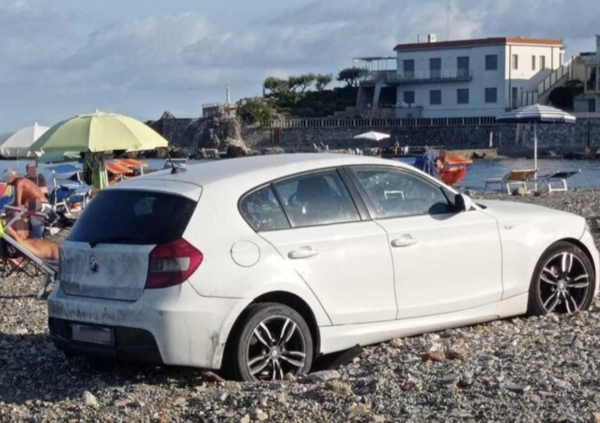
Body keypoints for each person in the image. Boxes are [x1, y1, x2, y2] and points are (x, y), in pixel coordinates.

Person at [3, 169, 50, 238]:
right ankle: (26, 237)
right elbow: (20, 203)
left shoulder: (19, 183)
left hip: (40, 205)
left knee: (17, 214)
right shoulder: (23, 181)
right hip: (44, 205)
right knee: (34, 230)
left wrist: (6, 209)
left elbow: (18, 204)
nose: (8, 184)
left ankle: (20, 237)